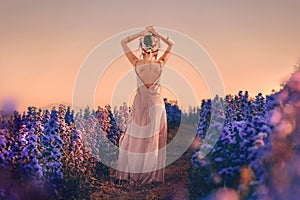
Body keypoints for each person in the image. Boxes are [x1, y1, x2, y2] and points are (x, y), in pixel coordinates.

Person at [115, 26, 174, 185]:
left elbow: (123, 42)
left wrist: (140, 34)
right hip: (156, 103)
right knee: (152, 140)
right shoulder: (161, 63)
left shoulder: (136, 62)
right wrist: (156, 34)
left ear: (142, 47)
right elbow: (171, 45)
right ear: (156, 48)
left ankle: (134, 175)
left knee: (135, 138)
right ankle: (149, 176)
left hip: (140, 102)